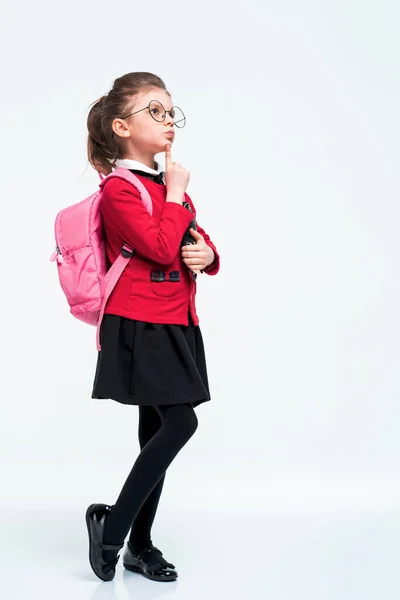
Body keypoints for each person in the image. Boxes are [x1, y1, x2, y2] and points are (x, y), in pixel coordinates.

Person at [84, 72, 220, 583]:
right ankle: (112, 529)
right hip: (141, 322)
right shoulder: (121, 189)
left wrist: (209, 256)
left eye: (170, 112)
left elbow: (193, 240)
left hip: (175, 319)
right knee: (180, 423)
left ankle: (139, 545)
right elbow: (161, 247)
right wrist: (178, 190)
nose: (168, 122)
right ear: (122, 126)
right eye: (155, 111)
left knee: (154, 431)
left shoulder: (163, 187)